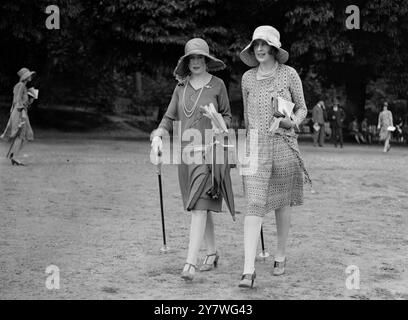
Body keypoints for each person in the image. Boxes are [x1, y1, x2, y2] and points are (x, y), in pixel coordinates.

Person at [150, 38, 233, 281]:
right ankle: (212, 252)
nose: (196, 62)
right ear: (187, 62)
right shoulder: (181, 88)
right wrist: (158, 135)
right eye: (192, 59)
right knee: (199, 205)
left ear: (206, 61)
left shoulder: (218, 85)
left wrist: (219, 122)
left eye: (200, 58)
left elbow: (228, 116)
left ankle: (190, 263)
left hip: (210, 153)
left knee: (199, 206)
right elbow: (168, 118)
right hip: (186, 155)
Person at [239, 25, 310, 288]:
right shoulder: (247, 78)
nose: (259, 49)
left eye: (264, 45)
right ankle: (248, 270)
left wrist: (291, 123)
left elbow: (302, 108)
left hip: (283, 146)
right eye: (255, 44)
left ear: (273, 48)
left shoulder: (289, 74)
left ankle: (280, 254)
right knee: (253, 205)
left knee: (282, 203)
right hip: (256, 148)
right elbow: (248, 118)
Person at [1, 68, 36, 166]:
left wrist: (30, 101)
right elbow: (17, 101)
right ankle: (14, 157)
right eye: (29, 75)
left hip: (23, 111)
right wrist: (22, 113)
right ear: (25, 77)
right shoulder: (20, 85)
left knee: (28, 135)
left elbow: (22, 102)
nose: (30, 77)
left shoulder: (24, 87)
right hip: (19, 112)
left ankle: (14, 154)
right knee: (21, 135)